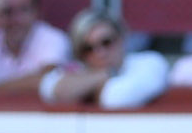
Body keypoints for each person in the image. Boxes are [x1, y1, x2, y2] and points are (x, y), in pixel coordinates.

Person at [39, 10, 167, 109]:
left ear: (121, 37)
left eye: (106, 42)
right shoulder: (79, 69)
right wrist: (105, 74)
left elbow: (116, 99)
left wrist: (86, 86)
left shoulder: (149, 62)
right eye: (88, 48)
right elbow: (51, 89)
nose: (100, 53)